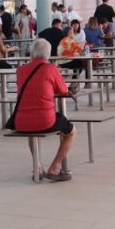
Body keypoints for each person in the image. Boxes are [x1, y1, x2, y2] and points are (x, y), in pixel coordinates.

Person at [13, 38, 76, 182]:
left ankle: (38, 167)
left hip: (21, 121)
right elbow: (63, 90)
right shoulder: (51, 68)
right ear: (48, 54)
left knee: (32, 132)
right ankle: (54, 168)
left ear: (31, 53)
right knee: (71, 132)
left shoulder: (21, 70)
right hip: (45, 119)